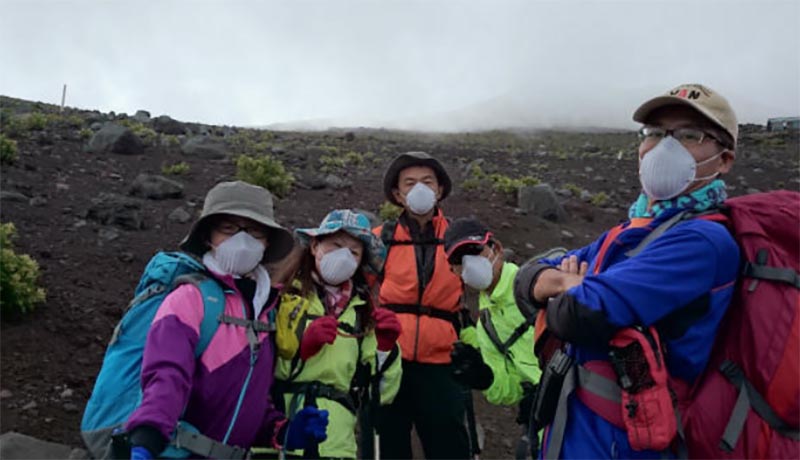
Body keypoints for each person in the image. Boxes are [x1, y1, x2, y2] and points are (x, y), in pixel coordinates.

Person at [513, 83, 740, 459]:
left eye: (689, 135)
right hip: (579, 429)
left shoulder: (703, 242)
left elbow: (577, 314)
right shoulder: (630, 230)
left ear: (724, 159)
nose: (665, 147)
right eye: (654, 133)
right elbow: (526, 279)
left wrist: (569, 288)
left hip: (629, 444)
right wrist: (566, 283)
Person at [124, 181, 328, 459]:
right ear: (209, 236)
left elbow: (247, 398)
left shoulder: (265, 309)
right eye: (228, 228)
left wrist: (283, 430)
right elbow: (166, 376)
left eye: (254, 231)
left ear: (267, 242)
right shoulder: (190, 299)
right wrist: (147, 438)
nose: (242, 241)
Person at [260, 209, 403, 460]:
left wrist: (386, 348)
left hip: (336, 444)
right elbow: (257, 367)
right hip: (281, 435)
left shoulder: (363, 314)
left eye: (354, 252)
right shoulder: (280, 300)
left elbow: (380, 394)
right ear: (315, 246)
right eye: (336, 244)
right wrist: (301, 350)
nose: (344, 256)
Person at [373, 151, 473, 460]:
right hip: (390, 361)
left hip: (442, 363)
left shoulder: (462, 238)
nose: (420, 189)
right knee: (390, 447)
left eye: (428, 181)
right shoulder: (380, 239)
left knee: (449, 448)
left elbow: (491, 281)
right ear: (397, 193)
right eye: (410, 182)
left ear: (440, 190)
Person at [443, 218, 542, 459]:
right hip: (547, 424)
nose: (468, 263)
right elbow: (511, 388)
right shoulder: (486, 324)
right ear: (453, 271)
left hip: (586, 409)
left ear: (496, 248)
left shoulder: (534, 285)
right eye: (459, 260)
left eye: (474, 251)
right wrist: (485, 378)